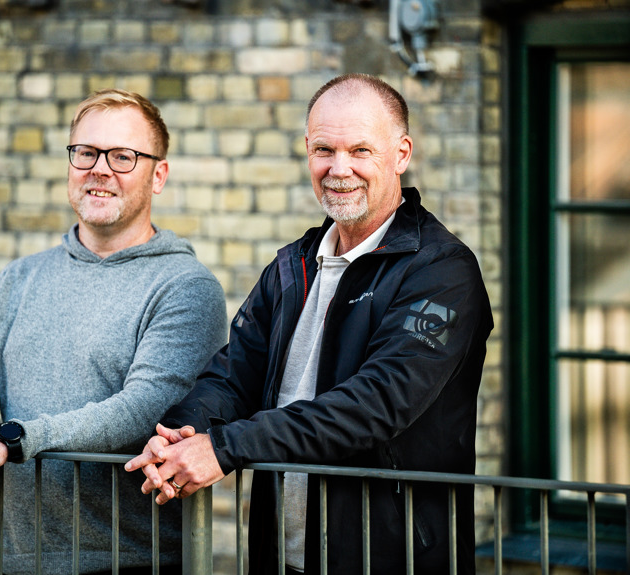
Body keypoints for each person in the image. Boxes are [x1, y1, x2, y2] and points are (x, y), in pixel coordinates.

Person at [126, 74, 493, 574]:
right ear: (306, 150)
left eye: (360, 150)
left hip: (392, 559)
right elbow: (233, 375)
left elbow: (375, 405)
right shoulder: (292, 265)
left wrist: (224, 448)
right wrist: (183, 432)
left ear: (401, 154)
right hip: (282, 557)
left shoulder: (441, 269)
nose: (339, 169)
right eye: (324, 149)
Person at [0, 89, 228, 575]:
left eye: (123, 157)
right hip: (20, 560)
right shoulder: (18, 279)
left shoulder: (185, 287)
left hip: (131, 562)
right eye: (86, 152)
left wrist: (11, 440)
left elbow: (142, 411)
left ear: (159, 175)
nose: (100, 169)